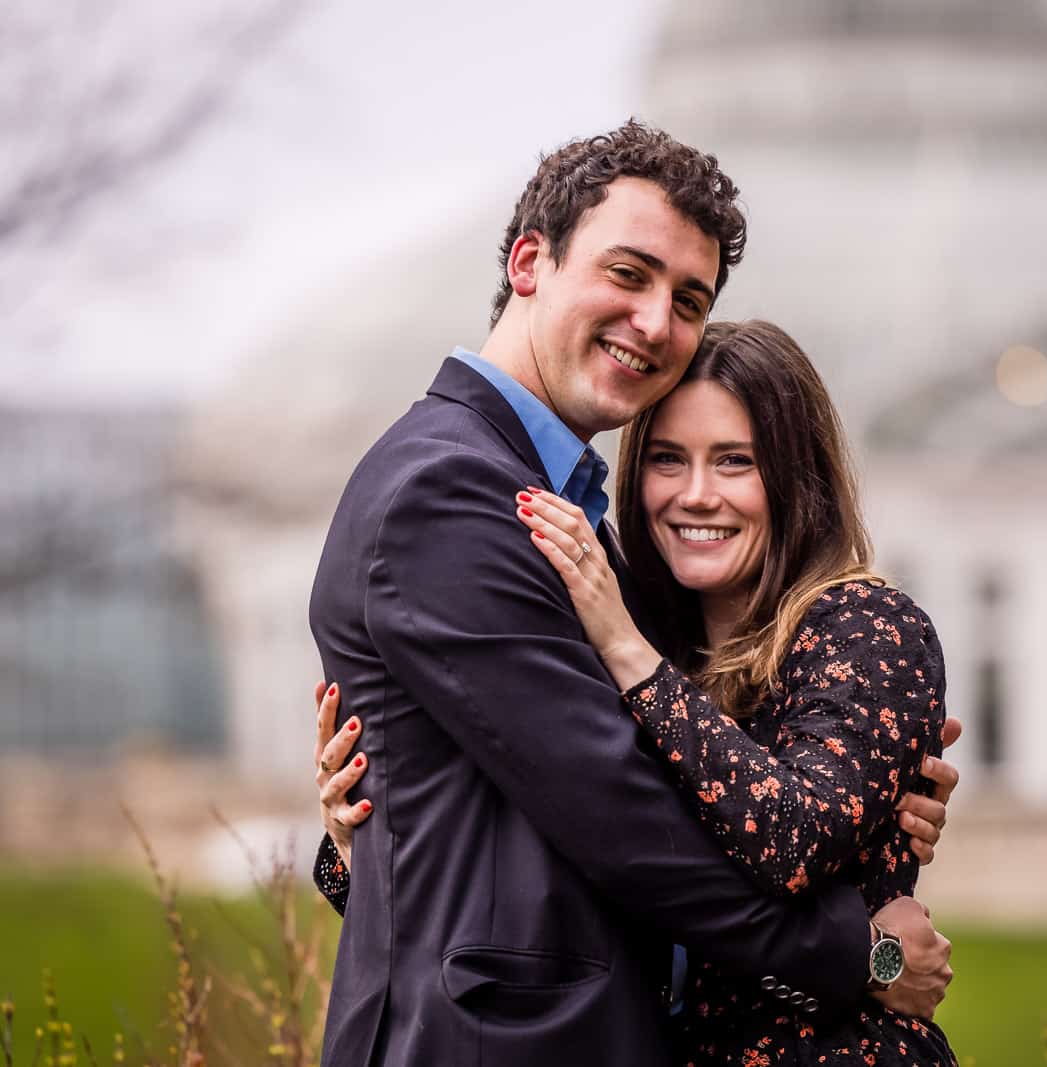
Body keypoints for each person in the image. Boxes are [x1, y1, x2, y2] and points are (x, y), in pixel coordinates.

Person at [305, 122, 958, 1067]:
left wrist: (865, 799)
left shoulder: (571, 522)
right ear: (530, 261)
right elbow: (620, 813)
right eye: (628, 273)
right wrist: (862, 949)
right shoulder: (450, 492)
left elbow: (538, 820)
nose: (655, 322)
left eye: (687, 298)